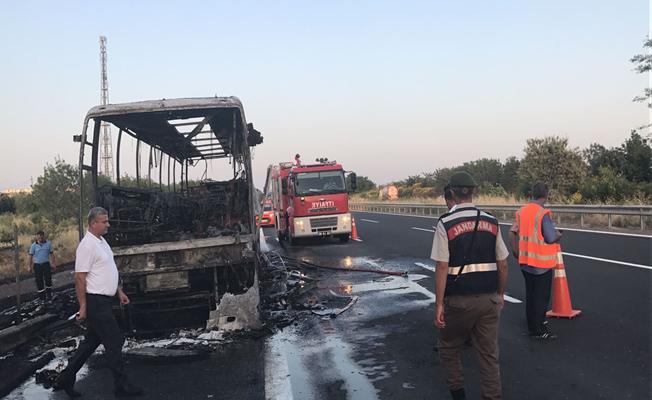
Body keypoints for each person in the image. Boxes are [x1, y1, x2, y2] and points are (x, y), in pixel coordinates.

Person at [432, 172, 509, 400]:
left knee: (448, 347)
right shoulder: (491, 221)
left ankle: (459, 395)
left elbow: (442, 267)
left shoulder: (445, 223)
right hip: (489, 300)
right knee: (488, 355)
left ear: (452, 193)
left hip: (458, 301)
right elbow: (503, 264)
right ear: (474, 191)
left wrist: (438, 305)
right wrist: (501, 294)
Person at [54, 207, 143, 398]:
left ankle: (65, 379)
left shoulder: (101, 242)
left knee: (91, 343)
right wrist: (83, 306)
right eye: (104, 221)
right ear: (93, 223)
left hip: (105, 299)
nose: (108, 224)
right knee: (115, 340)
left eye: (107, 221)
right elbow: (80, 277)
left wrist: (118, 291)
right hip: (95, 302)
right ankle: (121, 386)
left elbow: (107, 269)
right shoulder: (87, 246)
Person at [508, 183, 562, 340]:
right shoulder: (542, 213)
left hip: (525, 262)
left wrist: (515, 251)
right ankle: (538, 330)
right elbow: (551, 237)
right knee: (541, 297)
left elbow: (512, 233)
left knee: (531, 295)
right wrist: (558, 235)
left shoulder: (522, 212)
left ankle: (533, 323)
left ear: (531, 194)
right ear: (546, 195)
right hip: (541, 263)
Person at [28, 230, 56, 301]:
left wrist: (53, 263)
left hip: (46, 264)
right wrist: (29, 266)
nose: (40, 238)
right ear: (36, 237)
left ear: (43, 236)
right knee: (39, 281)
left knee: (48, 280)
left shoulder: (48, 244)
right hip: (37, 265)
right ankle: (42, 298)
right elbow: (30, 256)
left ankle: (49, 296)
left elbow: (52, 254)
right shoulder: (34, 245)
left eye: (41, 237)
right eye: (38, 237)